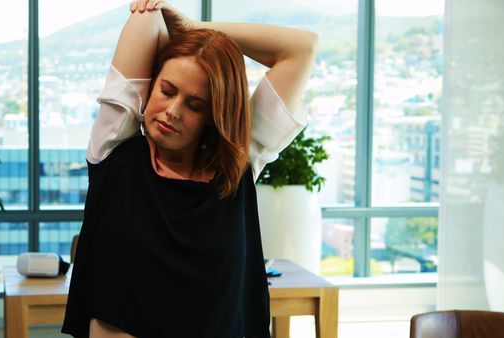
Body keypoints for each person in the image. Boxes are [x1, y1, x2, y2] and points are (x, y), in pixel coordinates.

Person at [62, 1, 318, 337]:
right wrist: (183, 34)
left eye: (195, 105)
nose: (172, 111)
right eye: (166, 91)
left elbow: (302, 48)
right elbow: (148, 12)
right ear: (150, 86)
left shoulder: (237, 165)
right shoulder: (113, 150)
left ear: (214, 117)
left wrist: (198, 28)